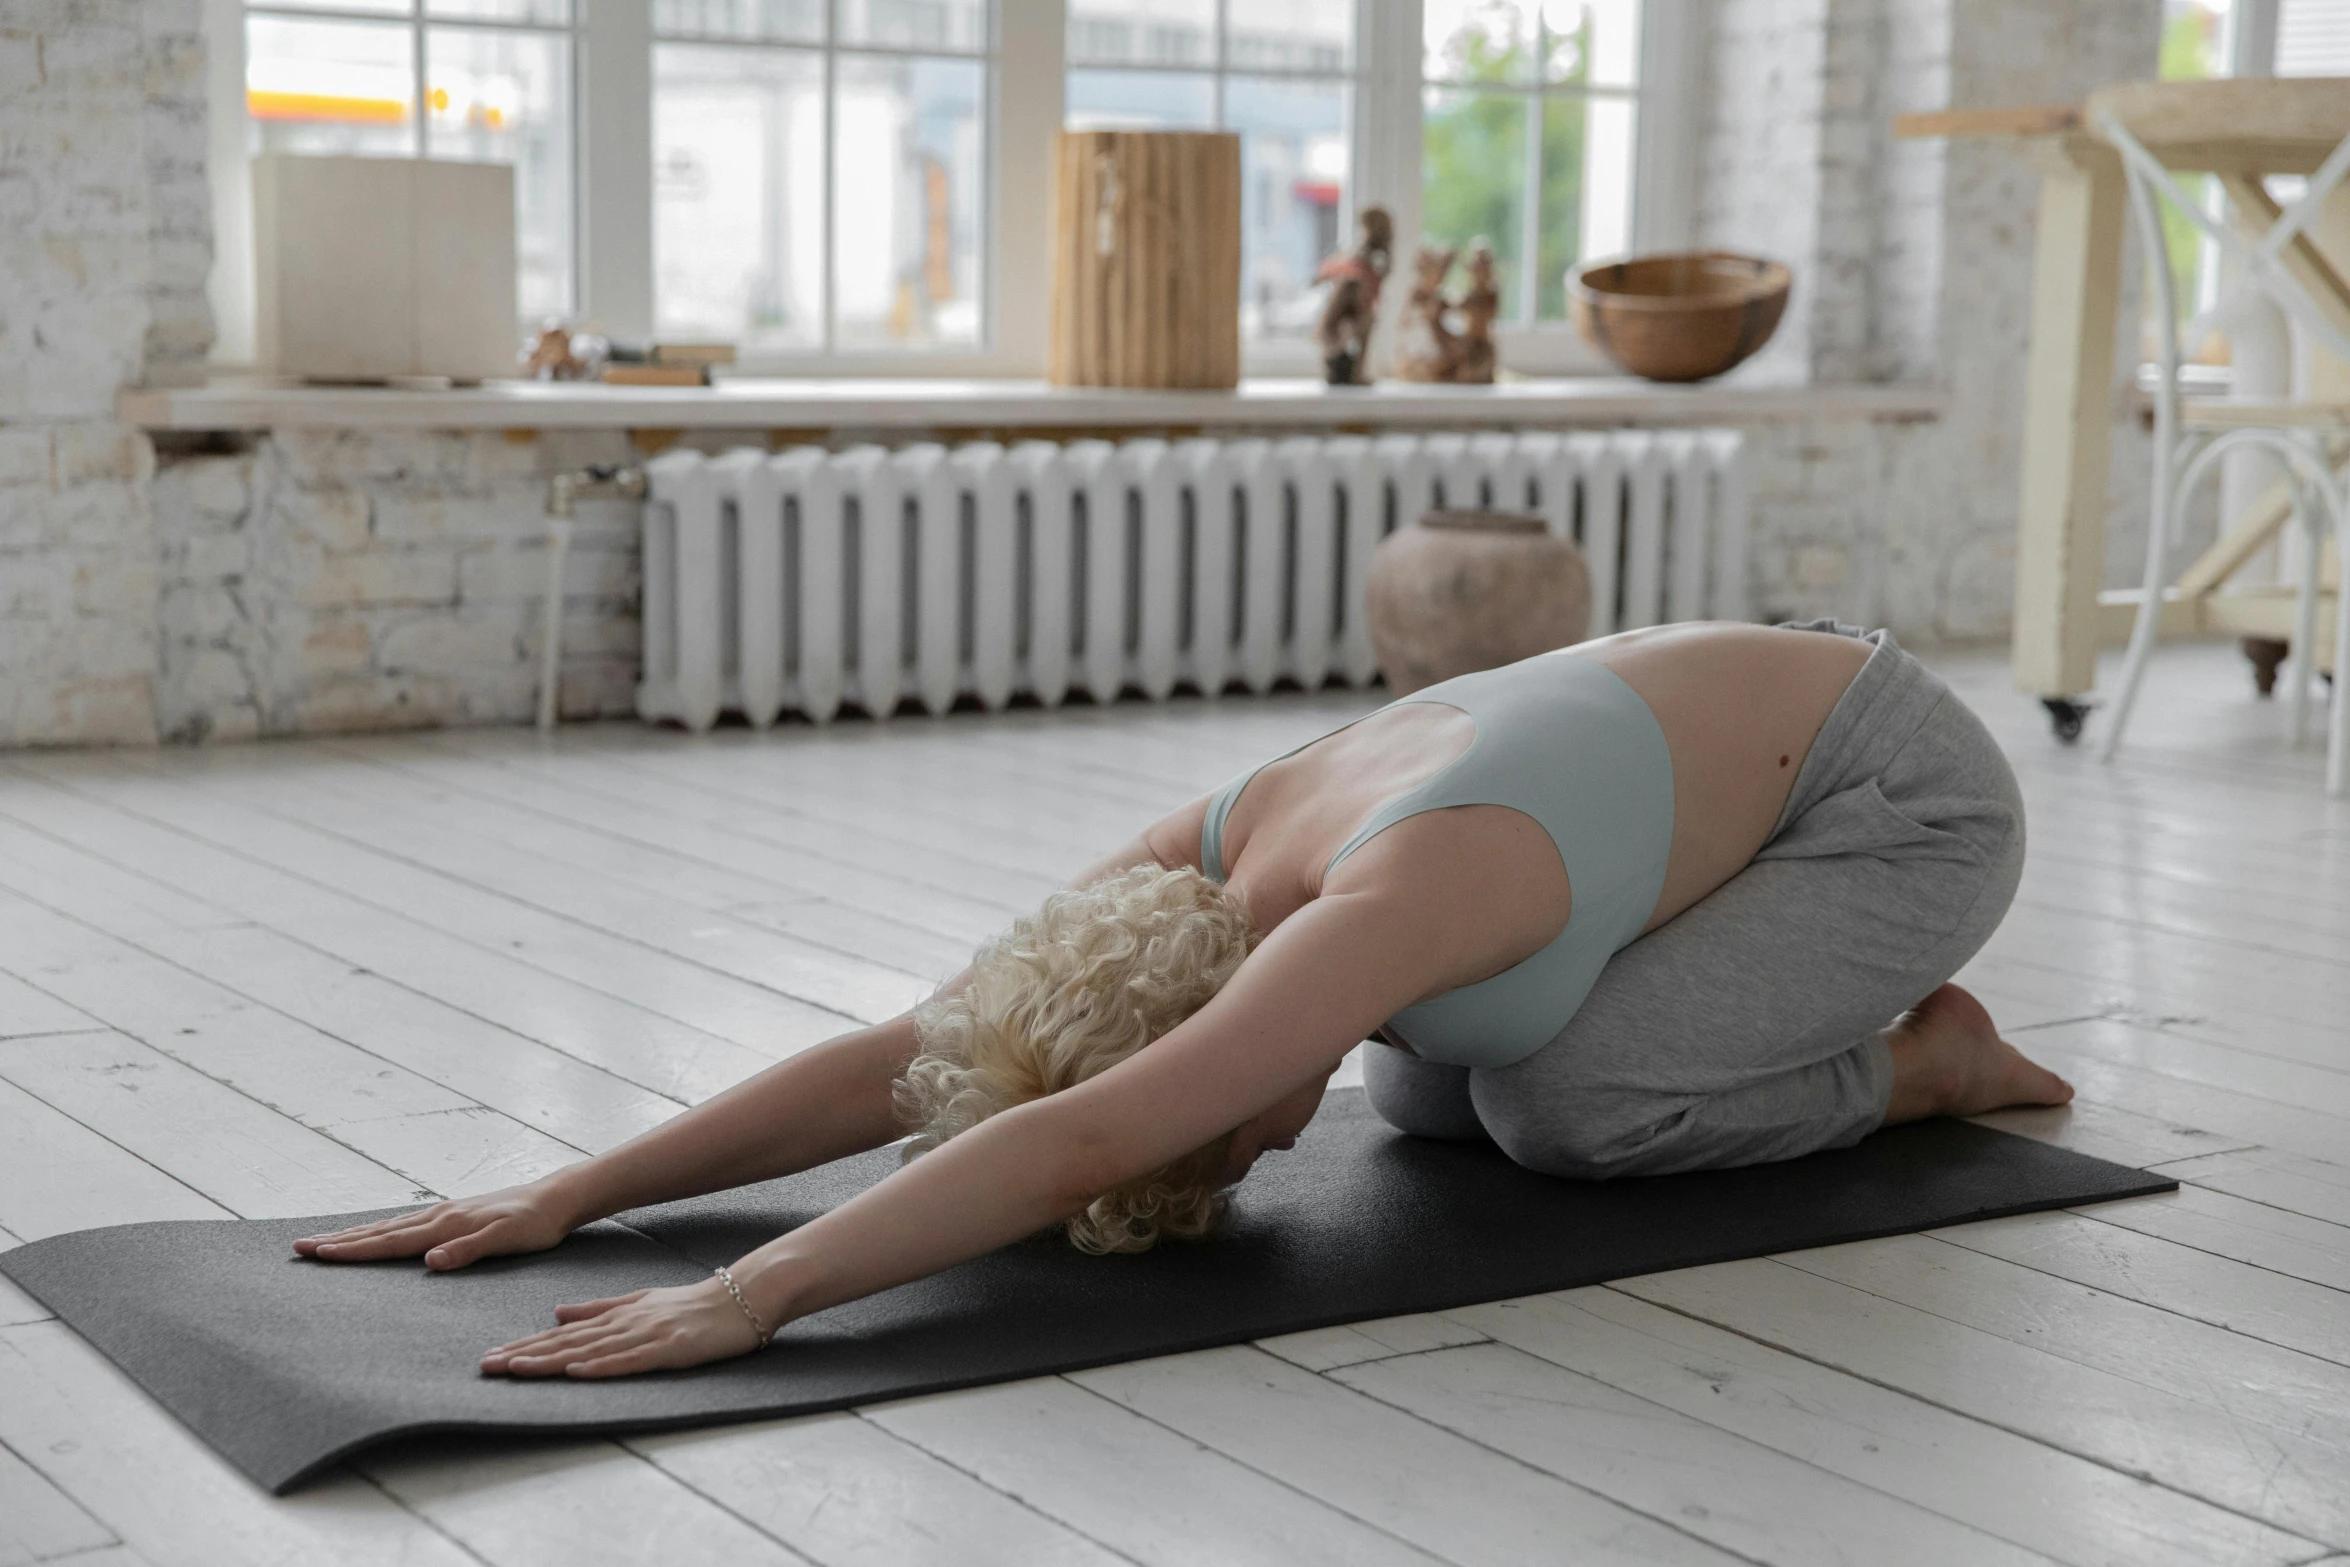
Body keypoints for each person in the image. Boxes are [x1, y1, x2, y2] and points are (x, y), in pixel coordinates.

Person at [296, 619, 2072, 1380]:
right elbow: (914, 1044)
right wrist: (578, 1187)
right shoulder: (1205, 864)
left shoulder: (1386, 891)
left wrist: (758, 1290)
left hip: (1886, 803)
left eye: (1214, 1153)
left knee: (1564, 1105)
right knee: (1438, 1092)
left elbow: (1099, 1126)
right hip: (1712, 777)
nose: (1238, 1162)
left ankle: (1924, 1059)